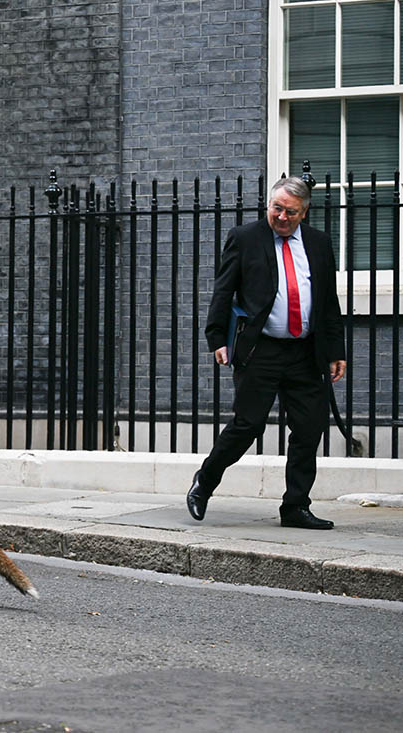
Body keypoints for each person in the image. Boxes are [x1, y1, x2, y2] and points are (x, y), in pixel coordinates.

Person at [187, 177, 346, 530]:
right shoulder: (246, 238)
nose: (282, 217)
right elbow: (223, 290)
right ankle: (204, 483)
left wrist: (336, 349)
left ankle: (295, 507)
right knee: (247, 425)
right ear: (268, 205)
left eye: (291, 211)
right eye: (277, 208)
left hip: (306, 352)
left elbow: (328, 302)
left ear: (304, 213)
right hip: (262, 349)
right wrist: (217, 339)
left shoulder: (319, 244)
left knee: (309, 428)